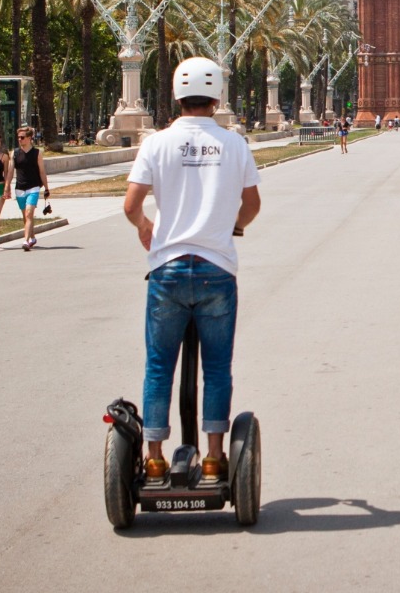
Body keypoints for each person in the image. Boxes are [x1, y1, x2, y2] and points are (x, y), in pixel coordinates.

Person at [124, 56, 263, 482]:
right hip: (216, 269)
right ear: (218, 95)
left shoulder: (156, 143)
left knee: (158, 366)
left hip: (166, 270)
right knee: (217, 368)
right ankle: (214, 457)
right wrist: (231, 226)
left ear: (175, 95)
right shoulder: (234, 143)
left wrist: (147, 227)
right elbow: (253, 204)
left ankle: (153, 458)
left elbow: (131, 205)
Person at [9, 126, 51, 251]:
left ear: (29, 138)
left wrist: (47, 188)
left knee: (29, 213)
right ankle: (32, 237)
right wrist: (7, 187)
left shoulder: (37, 153)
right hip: (20, 188)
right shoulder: (14, 153)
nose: (20, 140)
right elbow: (11, 172)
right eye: (18, 138)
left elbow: (42, 171)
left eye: (22, 137)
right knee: (26, 216)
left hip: (34, 187)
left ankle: (26, 241)